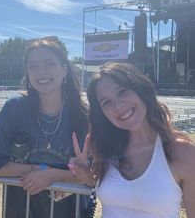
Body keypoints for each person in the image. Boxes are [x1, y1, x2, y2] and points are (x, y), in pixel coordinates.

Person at [70, 62, 195, 218]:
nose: (119, 106)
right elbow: (120, 193)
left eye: (122, 92)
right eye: (106, 102)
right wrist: (87, 175)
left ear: (141, 89)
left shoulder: (184, 153)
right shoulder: (108, 149)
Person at [0, 36, 89, 218]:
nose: (41, 72)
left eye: (49, 64)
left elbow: (92, 177)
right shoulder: (14, 109)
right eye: (33, 66)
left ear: (64, 70)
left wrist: (52, 175)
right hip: (19, 210)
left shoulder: (82, 116)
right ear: (28, 74)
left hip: (69, 211)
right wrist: (40, 171)